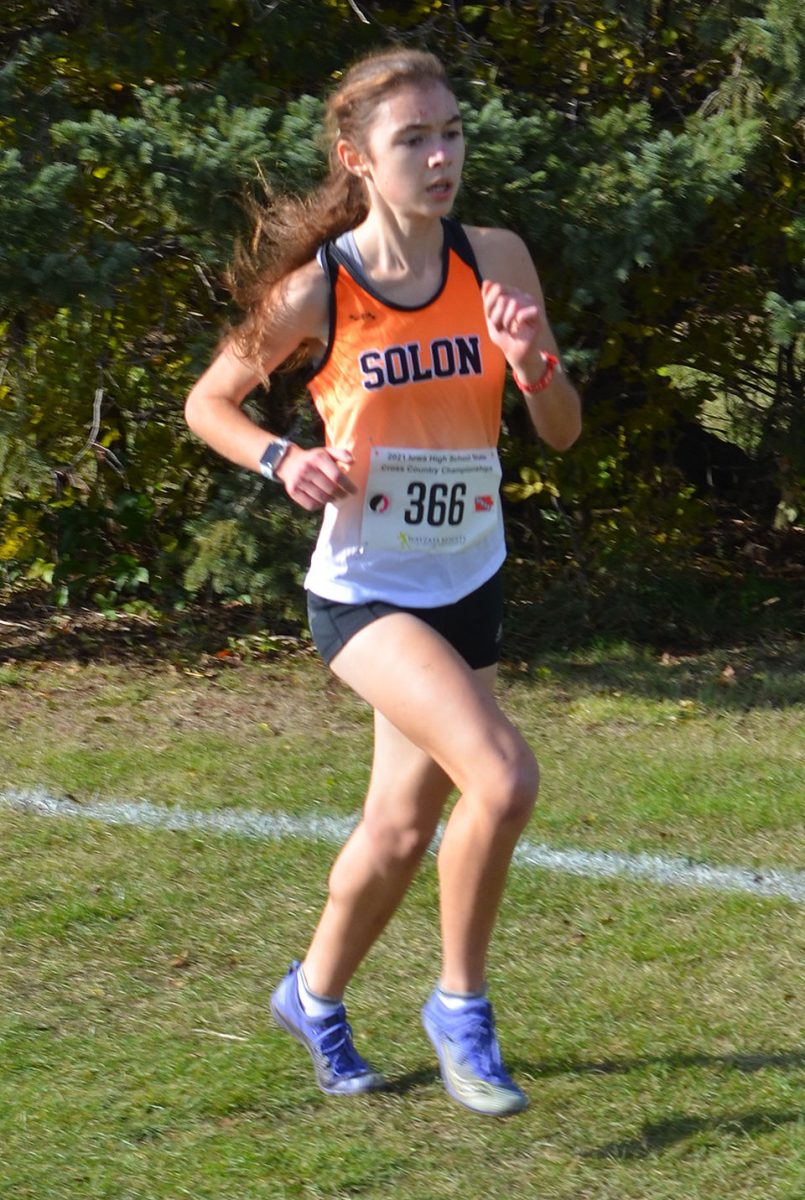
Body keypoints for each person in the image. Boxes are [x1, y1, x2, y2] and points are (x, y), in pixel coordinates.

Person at [185, 46, 581, 1118]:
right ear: (358, 159)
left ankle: (310, 995)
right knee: (500, 777)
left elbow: (559, 430)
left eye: (451, 131)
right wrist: (282, 458)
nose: (442, 154)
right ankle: (460, 1008)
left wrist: (534, 355)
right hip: (366, 590)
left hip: (472, 579)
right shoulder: (319, 289)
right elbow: (207, 402)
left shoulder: (495, 256)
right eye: (415, 139)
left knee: (401, 829)